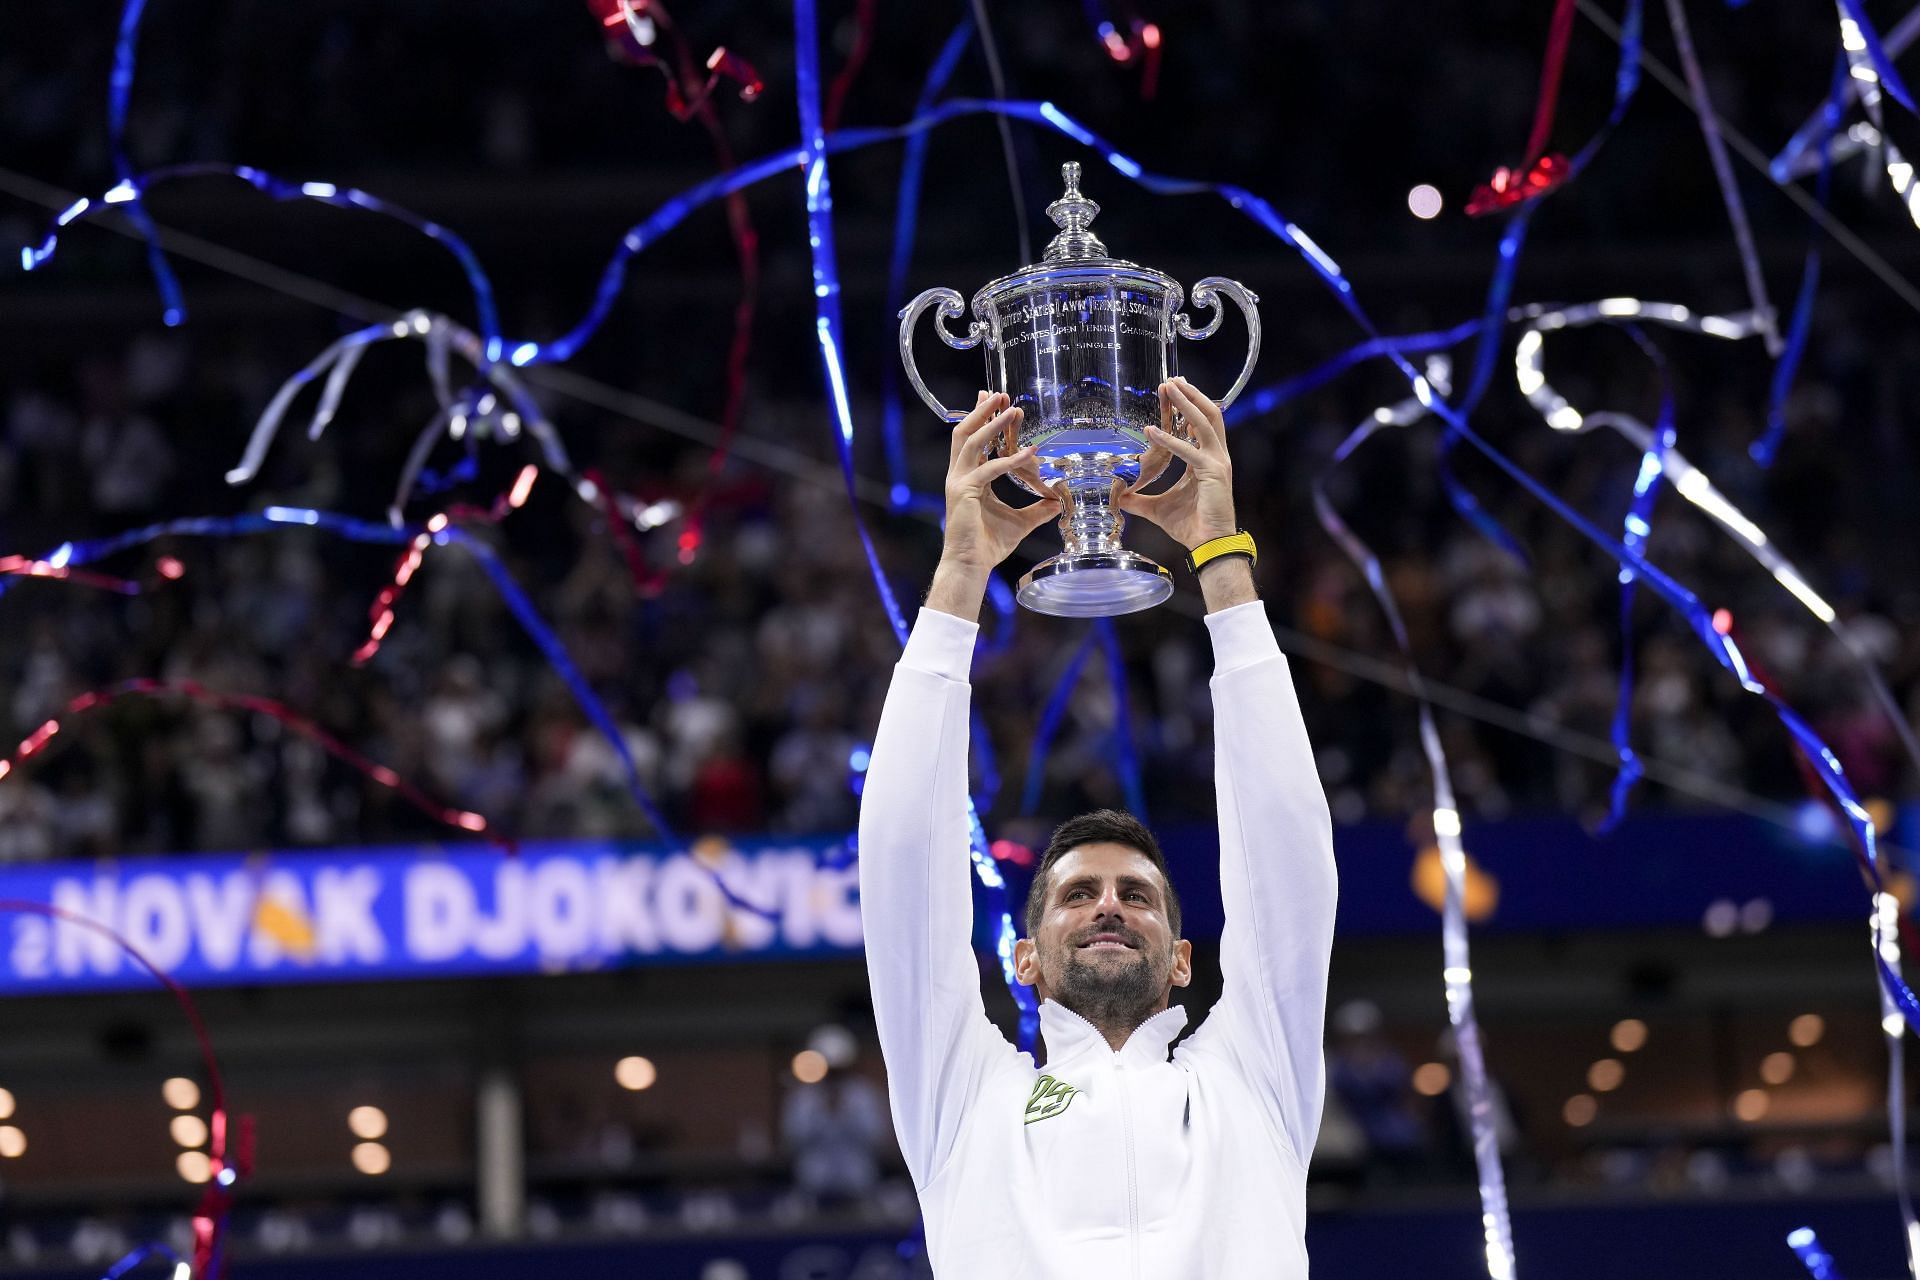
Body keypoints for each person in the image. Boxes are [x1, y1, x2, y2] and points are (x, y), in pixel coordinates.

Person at [859, 380, 1338, 1276]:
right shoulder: (966, 1096)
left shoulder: (1251, 1076)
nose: (1109, 906)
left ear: (1185, 958)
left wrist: (1222, 563)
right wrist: (960, 578)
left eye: (1137, 895)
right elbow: (900, 867)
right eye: (1077, 894)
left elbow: (1288, 857)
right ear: (1026, 959)